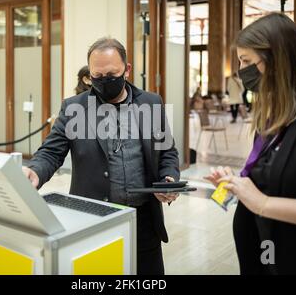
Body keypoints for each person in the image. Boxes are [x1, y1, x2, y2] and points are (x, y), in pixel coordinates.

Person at [23, 38, 180, 275]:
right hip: (93, 218)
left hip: (144, 220)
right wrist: (34, 171)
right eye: (97, 76)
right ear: (89, 75)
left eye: (112, 74)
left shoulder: (150, 103)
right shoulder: (75, 107)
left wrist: (169, 178)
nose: (105, 81)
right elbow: (51, 151)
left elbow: (167, 151)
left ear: (126, 70)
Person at [205, 13, 296, 275]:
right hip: (261, 252)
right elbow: (272, 175)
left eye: (246, 61)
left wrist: (262, 203)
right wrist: (239, 184)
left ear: (276, 59)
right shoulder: (276, 110)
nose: (241, 71)